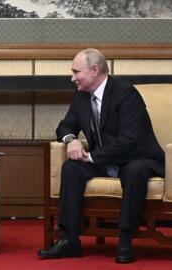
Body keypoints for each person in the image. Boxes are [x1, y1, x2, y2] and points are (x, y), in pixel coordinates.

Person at [37, 48, 164, 263]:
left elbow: (129, 140)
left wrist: (92, 158)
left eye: (76, 72)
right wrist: (71, 140)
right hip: (104, 159)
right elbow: (65, 125)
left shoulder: (125, 93)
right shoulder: (81, 96)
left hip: (137, 157)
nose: (72, 77)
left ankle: (125, 241)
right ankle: (70, 240)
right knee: (71, 168)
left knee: (135, 172)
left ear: (94, 70)